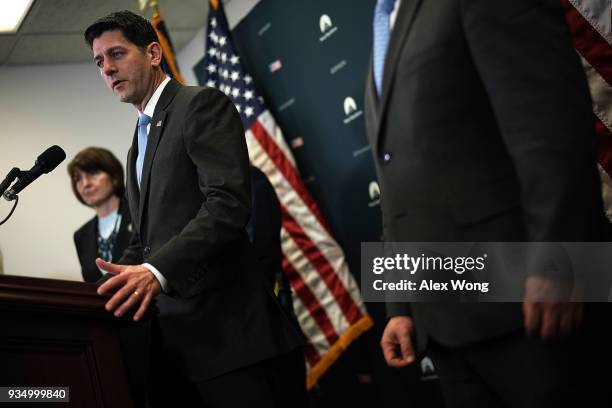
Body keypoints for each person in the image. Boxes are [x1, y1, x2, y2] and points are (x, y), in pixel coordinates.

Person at [365, 1, 609, 407]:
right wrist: (401, 303)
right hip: (444, 327)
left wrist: (561, 258)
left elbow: (550, 130)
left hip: (528, 310)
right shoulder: (381, 24)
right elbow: (397, 175)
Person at [84, 10, 305, 407]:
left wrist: (156, 270)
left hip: (235, 341)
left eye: (116, 54)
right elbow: (147, 240)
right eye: (99, 61)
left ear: (153, 53)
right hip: (181, 351)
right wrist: (105, 291)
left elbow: (227, 205)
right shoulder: (138, 141)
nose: (107, 69)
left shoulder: (199, 105)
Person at [68, 147, 133, 283]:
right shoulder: (81, 235)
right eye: (78, 178)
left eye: (92, 173)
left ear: (114, 176)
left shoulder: (138, 215)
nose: (86, 184)